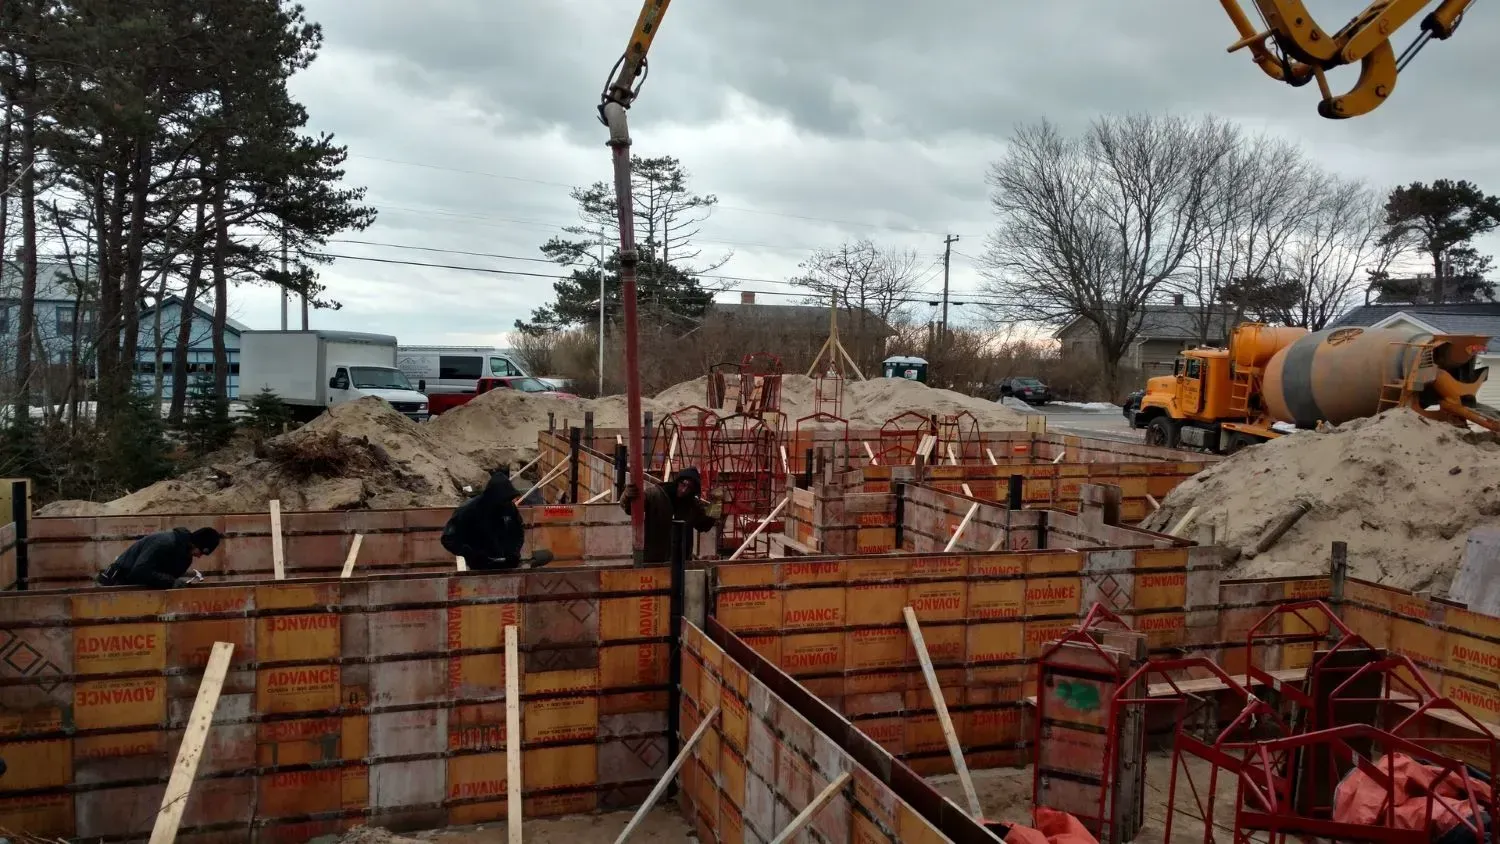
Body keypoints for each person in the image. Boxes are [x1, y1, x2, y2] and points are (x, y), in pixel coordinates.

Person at [620, 466, 720, 563]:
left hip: (681, 565)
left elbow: (705, 525)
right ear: (678, 482)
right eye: (683, 484)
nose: (684, 490)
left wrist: (717, 504)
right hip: (654, 562)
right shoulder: (656, 495)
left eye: (689, 488)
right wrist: (627, 495)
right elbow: (630, 509)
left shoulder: (692, 506)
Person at [443, 470, 531, 570]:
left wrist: (514, 551)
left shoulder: (509, 508)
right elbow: (448, 539)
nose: (505, 504)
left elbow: (518, 531)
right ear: (491, 497)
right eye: (502, 501)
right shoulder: (468, 510)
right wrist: (470, 554)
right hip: (479, 569)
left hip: (507, 567)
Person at [96, 527, 221, 588]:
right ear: (195, 543)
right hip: (116, 583)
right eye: (201, 552)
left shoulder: (185, 558)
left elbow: (158, 580)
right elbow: (139, 571)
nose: (199, 557)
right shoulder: (164, 542)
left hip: (136, 588)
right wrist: (171, 582)